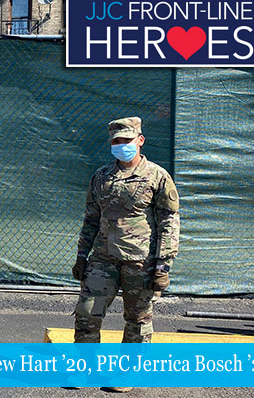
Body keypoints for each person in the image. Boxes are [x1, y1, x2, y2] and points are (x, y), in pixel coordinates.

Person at [72, 116, 179, 392]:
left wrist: (163, 265)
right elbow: (91, 219)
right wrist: (81, 256)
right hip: (103, 260)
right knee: (87, 313)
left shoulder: (157, 176)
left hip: (140, 262)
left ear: (140, 141)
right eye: (116, 142)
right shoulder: (101, 177)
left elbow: (169, 222)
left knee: (138, 319)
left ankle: (127, 374)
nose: (121, 146)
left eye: (127, 141)